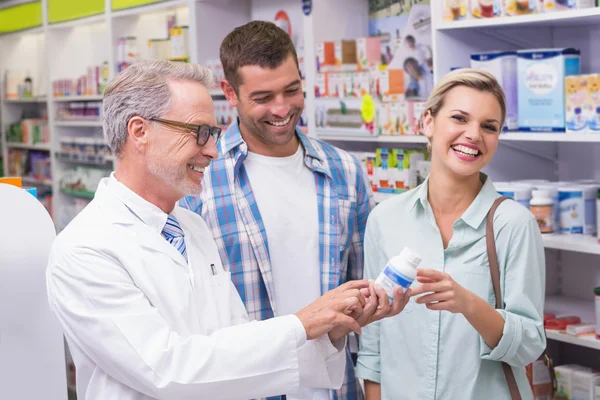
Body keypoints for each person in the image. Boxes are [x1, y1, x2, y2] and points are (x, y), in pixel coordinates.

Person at [45, 59, 410, 400]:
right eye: (199, 133)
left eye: (213, 133)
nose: (213, 151)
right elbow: (167, 370)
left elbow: (238, 341)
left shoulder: (191, 226)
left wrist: (330, 327)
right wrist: (301, 324)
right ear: (139, 131)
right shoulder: (85, 249)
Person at [179, 21, 374, 400]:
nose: (282, 109)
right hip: (244, 389)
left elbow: (361, 293)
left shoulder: (345, 172)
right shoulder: (200, 179)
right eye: (264, 97)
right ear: (229, 93)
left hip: (336, 388)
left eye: (292, 90)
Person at [356, 68, 546, 399]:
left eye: (489, 127)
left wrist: (470, 304)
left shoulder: (513, 224)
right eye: (459, 118)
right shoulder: (385, 219)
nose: (474, 135)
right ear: (428, 122)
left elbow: (529, 345)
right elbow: (373, 343)